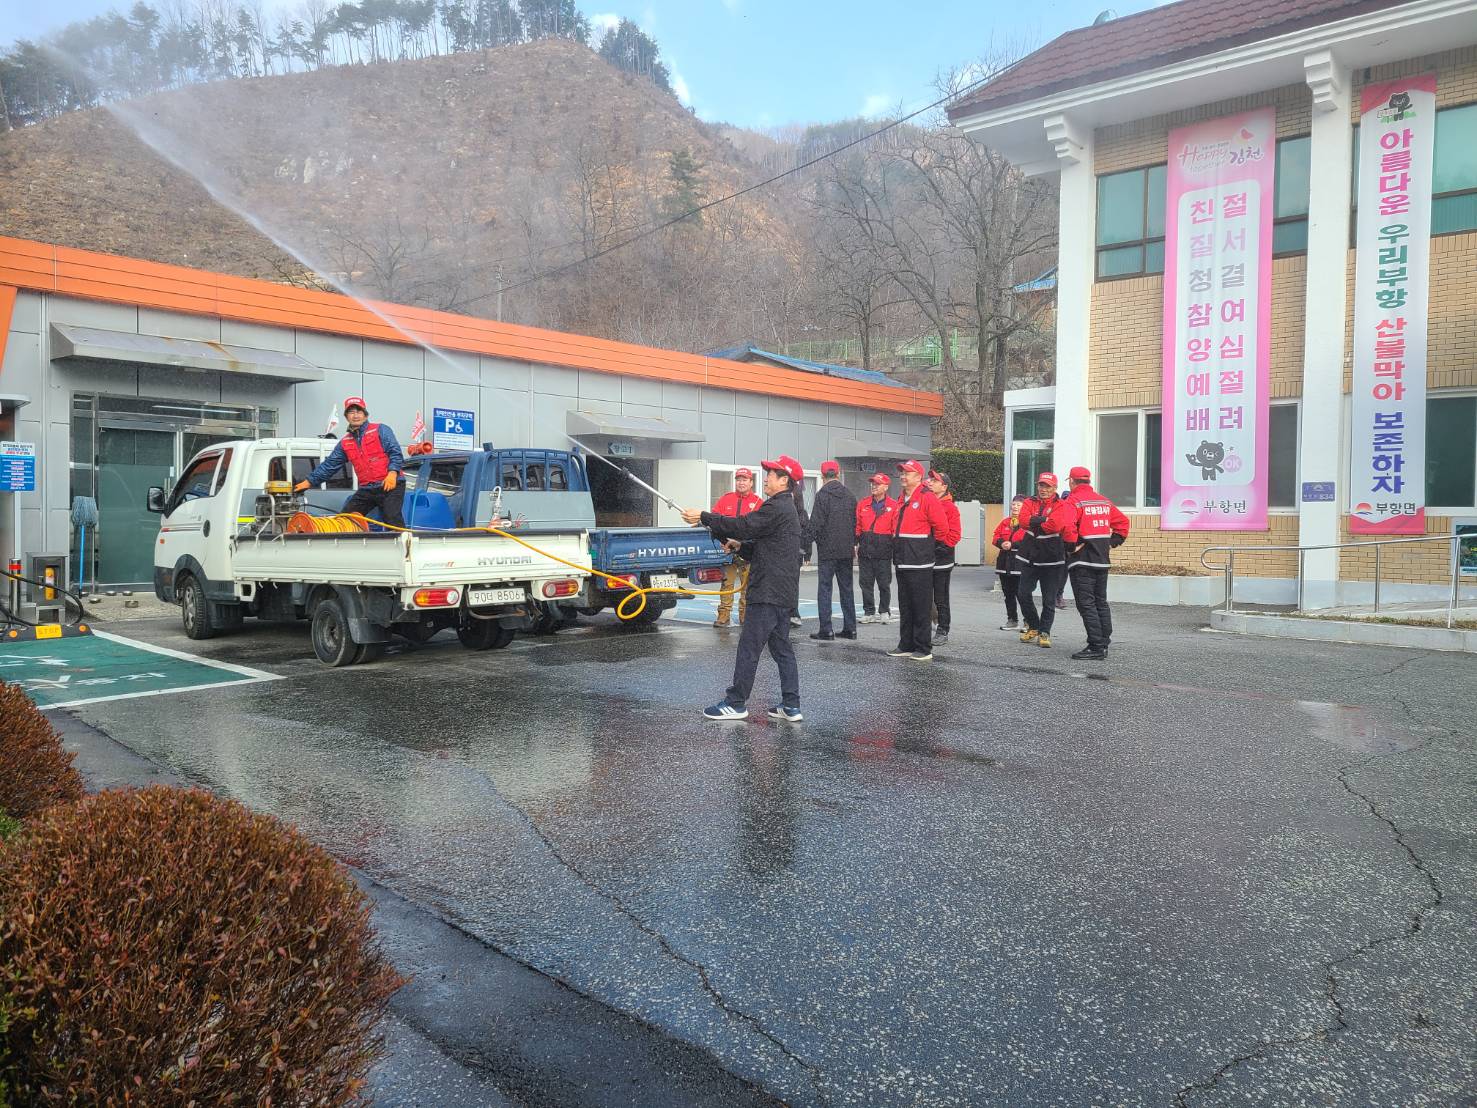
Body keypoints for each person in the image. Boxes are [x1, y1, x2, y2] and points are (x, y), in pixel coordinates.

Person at [682, 456, 804, 722]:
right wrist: (740, 546)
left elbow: (744, 525)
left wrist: (704, 516)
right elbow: (766, 546)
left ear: (784, 480)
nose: (766, 478)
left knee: (749, 647)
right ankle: (791, 705)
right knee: (782, 649)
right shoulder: (786, 508)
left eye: (771, 474)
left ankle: (736, 702)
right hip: (782, 592)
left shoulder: (777, 506)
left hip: (768, 591)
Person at [295, 396, 405, 526]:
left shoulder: (380, 429)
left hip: (390, 484)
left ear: (365, 415)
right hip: (367, 488)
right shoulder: (345, 442)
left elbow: (395, 452)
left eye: (359, 411)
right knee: (345, 519)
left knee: (392, 518)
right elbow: (330, 465)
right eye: (351, 412)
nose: (355, 415)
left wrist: (392, 473)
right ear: (346, 417)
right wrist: (308, 482)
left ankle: (403, 538)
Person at [887, 459, 957, 662]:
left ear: (918, 476)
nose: (903, 476)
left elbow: (942, 527)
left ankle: (923, 648)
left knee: (921, 606)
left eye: (907, 473)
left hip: (920, 561)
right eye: (901, 472)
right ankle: (906, 645)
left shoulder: (927, 497)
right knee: (905, 605)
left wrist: (928, 548)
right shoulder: (902, 497)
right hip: (902, 560)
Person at [1063, 465, 1131, 660]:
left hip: (1082, 562)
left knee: (1087, 604)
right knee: (1100, 602)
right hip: (1102, 560)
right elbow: (1123, 523)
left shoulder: (1073, 501)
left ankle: (1096, 646)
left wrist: (1071, 546)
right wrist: (1111, 542)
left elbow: (1067, 526)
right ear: (1088, 481)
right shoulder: (1103, 501)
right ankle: (1104, 641)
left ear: (1072, 481)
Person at [1014, 472, 1076, 649]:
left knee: (1049, 599)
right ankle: (1034, 626)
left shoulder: (1061, 504)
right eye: (1041, 485)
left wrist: (1036, 521)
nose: (1044, 489)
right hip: (1029, 556)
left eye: (1048, 486)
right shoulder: (1029, 502)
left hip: (1052, 558)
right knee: (1023, 594)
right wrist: (1044, 520)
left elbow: (1055, 526)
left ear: (1055, 488)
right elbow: (1022, 521)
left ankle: (1044, 632)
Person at [805, 460, 859, 641]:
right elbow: (855, 523)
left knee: (825, 589)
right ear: (838, 473)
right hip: (846, 549)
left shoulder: (822, 495)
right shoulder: (850, 495)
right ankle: (850, 628)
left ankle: (826, 629)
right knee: (847, 589)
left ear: (822, 476)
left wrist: (805, 545)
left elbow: (816, 523)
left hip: (827, 550)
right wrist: (854, 543)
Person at [711, 468, 763, 628]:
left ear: (751, 482)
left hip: (748, 552)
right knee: (726, 585)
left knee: (747, 587)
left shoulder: (759, 502)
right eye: (738, 480)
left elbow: (761, 528)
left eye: (744, 479)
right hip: (728, 551)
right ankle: (723, 616)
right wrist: (721, 541)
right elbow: (714, 520)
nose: (741, 483)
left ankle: (745, 616)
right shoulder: (725, 499)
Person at [854, 472, 896, 624]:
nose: (874, 486)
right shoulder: (863, 503)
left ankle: (884, 611)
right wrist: (855, 543)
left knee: (884, 583)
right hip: (866, 549)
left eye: (878, 484)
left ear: (886, 487)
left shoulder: (893, 505)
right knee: (865, 583)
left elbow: (895, 529)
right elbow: (857, 526)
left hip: (884, 549)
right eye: (873, 483)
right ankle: (869, 612)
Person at [926, 470, 961, 646]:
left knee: (941, 597)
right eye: (930, 479)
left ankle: (943, 629)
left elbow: (954, 535)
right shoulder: (926, 502)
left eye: (935, 480)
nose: (930, 482)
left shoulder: (950, 508)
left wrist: (939, 548)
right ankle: (926, 625)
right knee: (924, 595)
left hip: (942, 560)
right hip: (924, 558)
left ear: (944, 486)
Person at [992, 496, 1027, 630]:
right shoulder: (1005, 522)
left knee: (1022, 594)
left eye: (1018, 505)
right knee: (1008, 594)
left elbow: (1029, 541)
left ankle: (1028, 622)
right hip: (1004, 564)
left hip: (1020, 564)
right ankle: (1012, 620)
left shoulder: (1027, 524)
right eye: (1013, 504)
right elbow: (995, 537)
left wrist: (1013, 544)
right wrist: (1002, 543)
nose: (1015, 507)